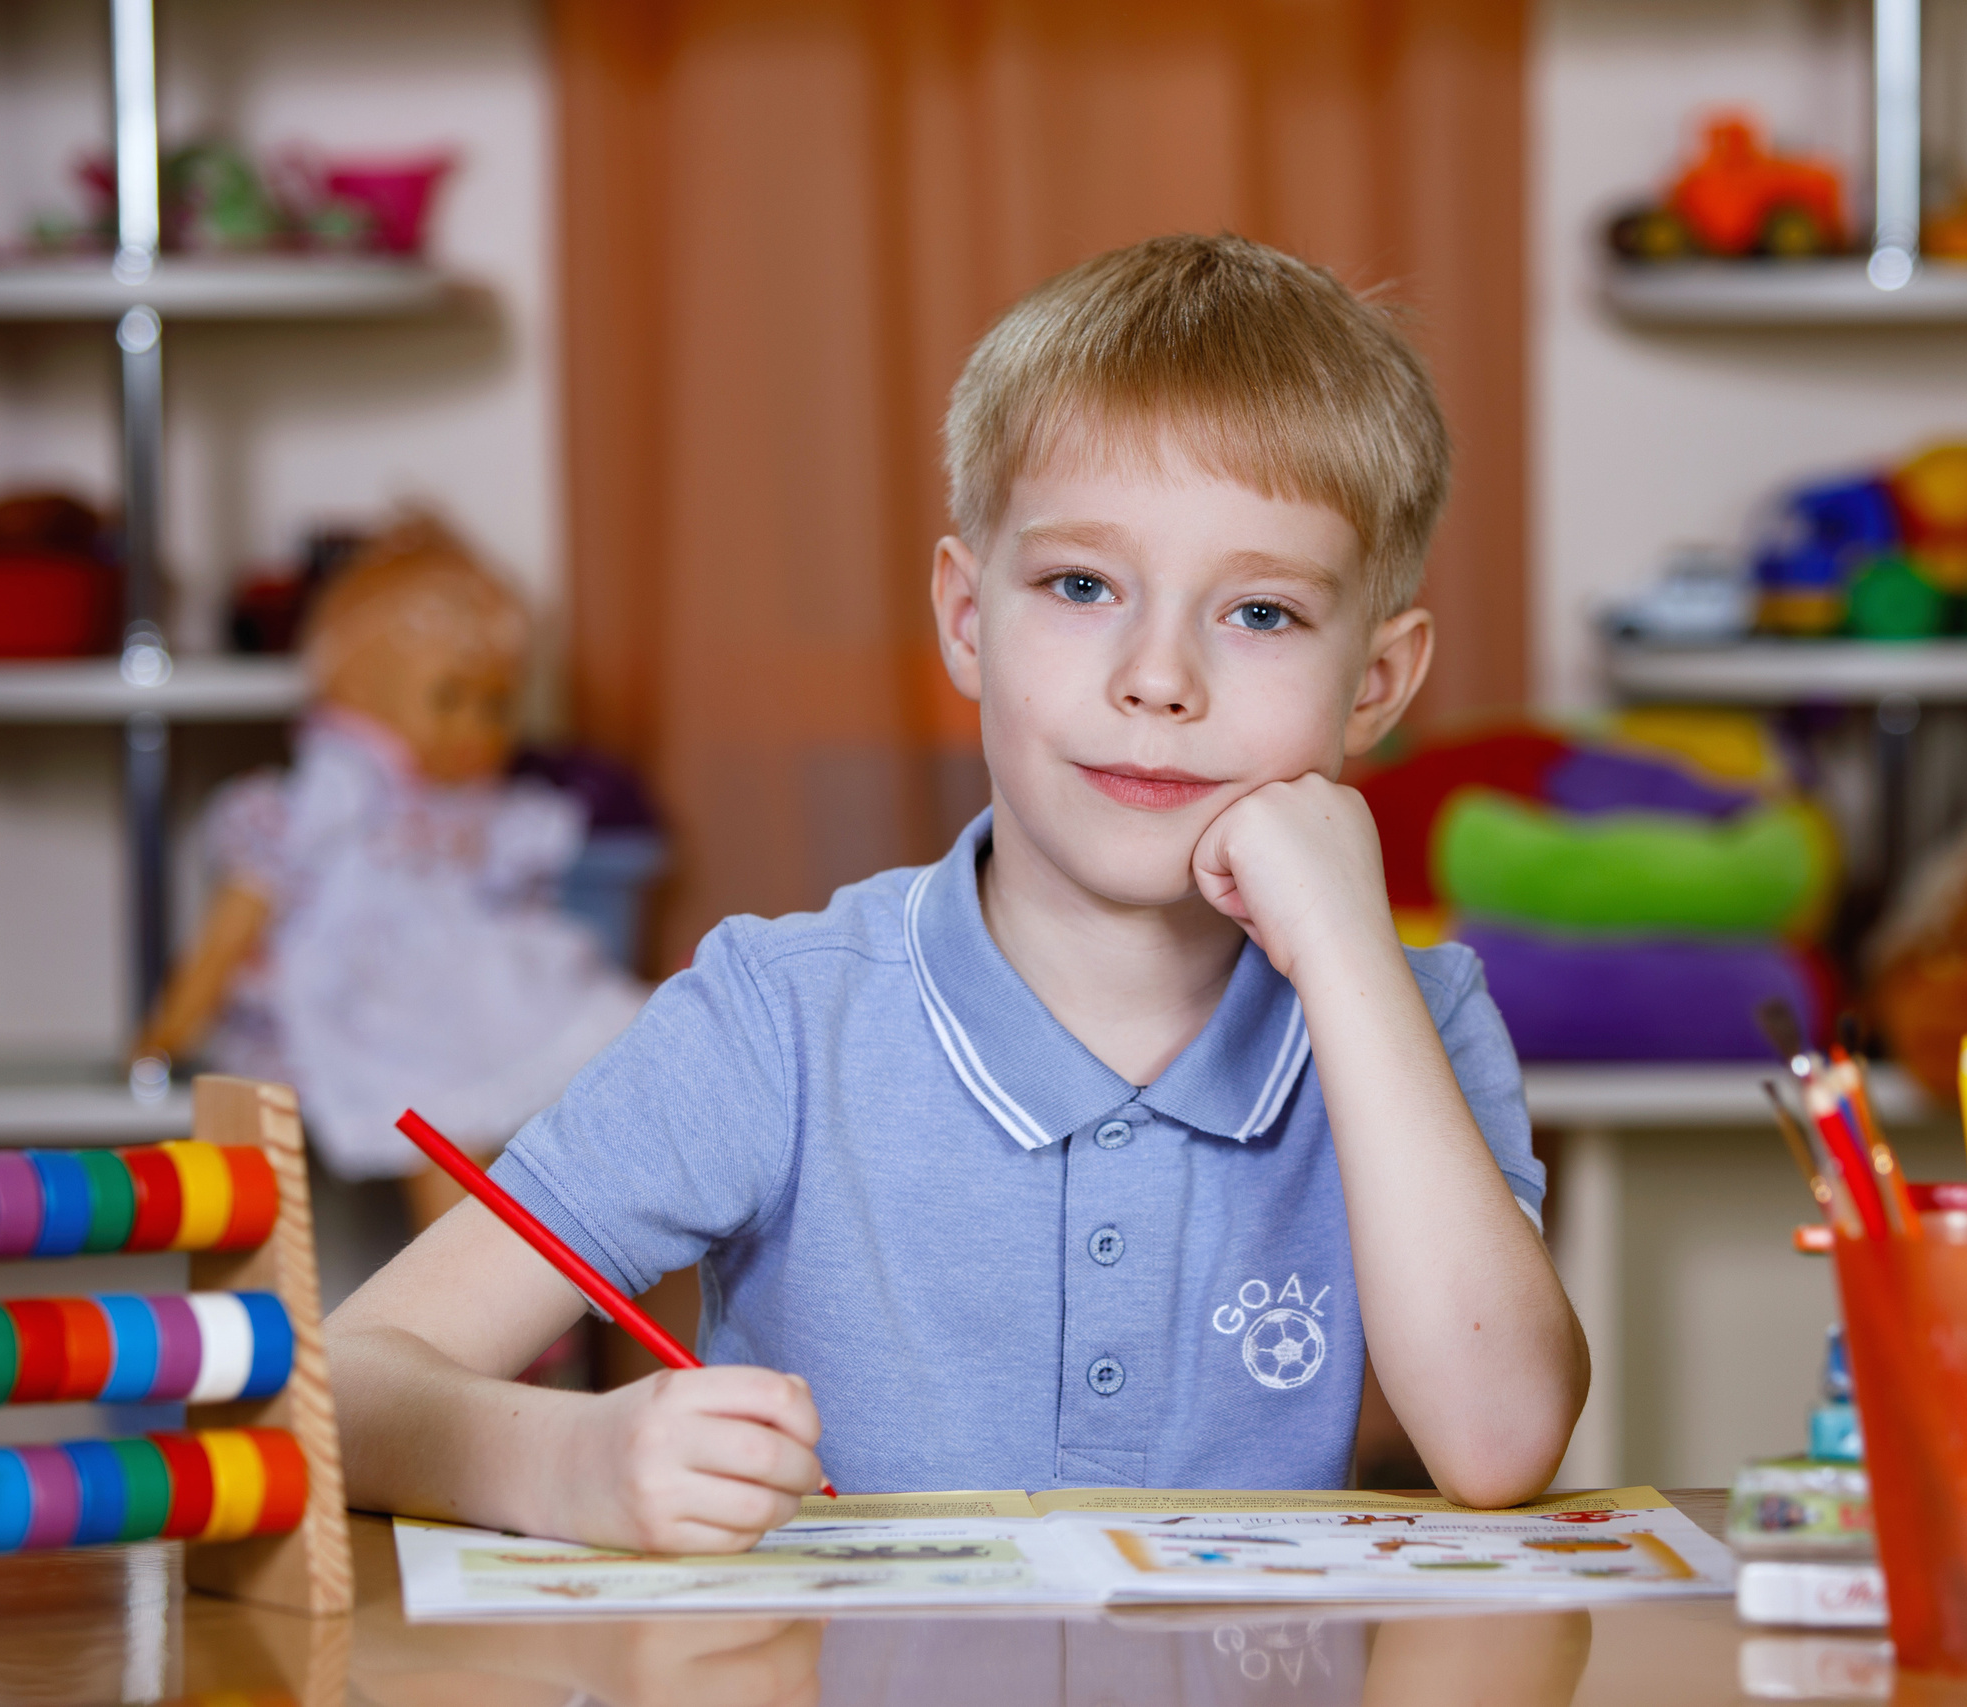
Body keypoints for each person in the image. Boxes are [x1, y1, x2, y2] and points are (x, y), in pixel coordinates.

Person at [328, 233, 1588, 1553]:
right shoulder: (777, 1018)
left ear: (1377, 683)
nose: (1159, 678)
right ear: (968, 616)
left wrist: (1347, 952)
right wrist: (567, 1463)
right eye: (1082, 584)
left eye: (1261, 612)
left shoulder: (1412, 1015)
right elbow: (349, 1381)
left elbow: (1500, 1440)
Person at [132, 517, 649, 1215]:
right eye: (450, 699)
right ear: (368, 694)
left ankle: (526, 1295)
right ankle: (480, 1302)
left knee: (558, 1110)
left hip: (468, 986)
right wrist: (169, 1029)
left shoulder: (480, 805)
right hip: (372, 989)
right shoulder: (336, 789)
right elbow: (239, 915)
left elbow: (519, 889)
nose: (478, 728)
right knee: (445, 1135)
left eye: (497, 704)